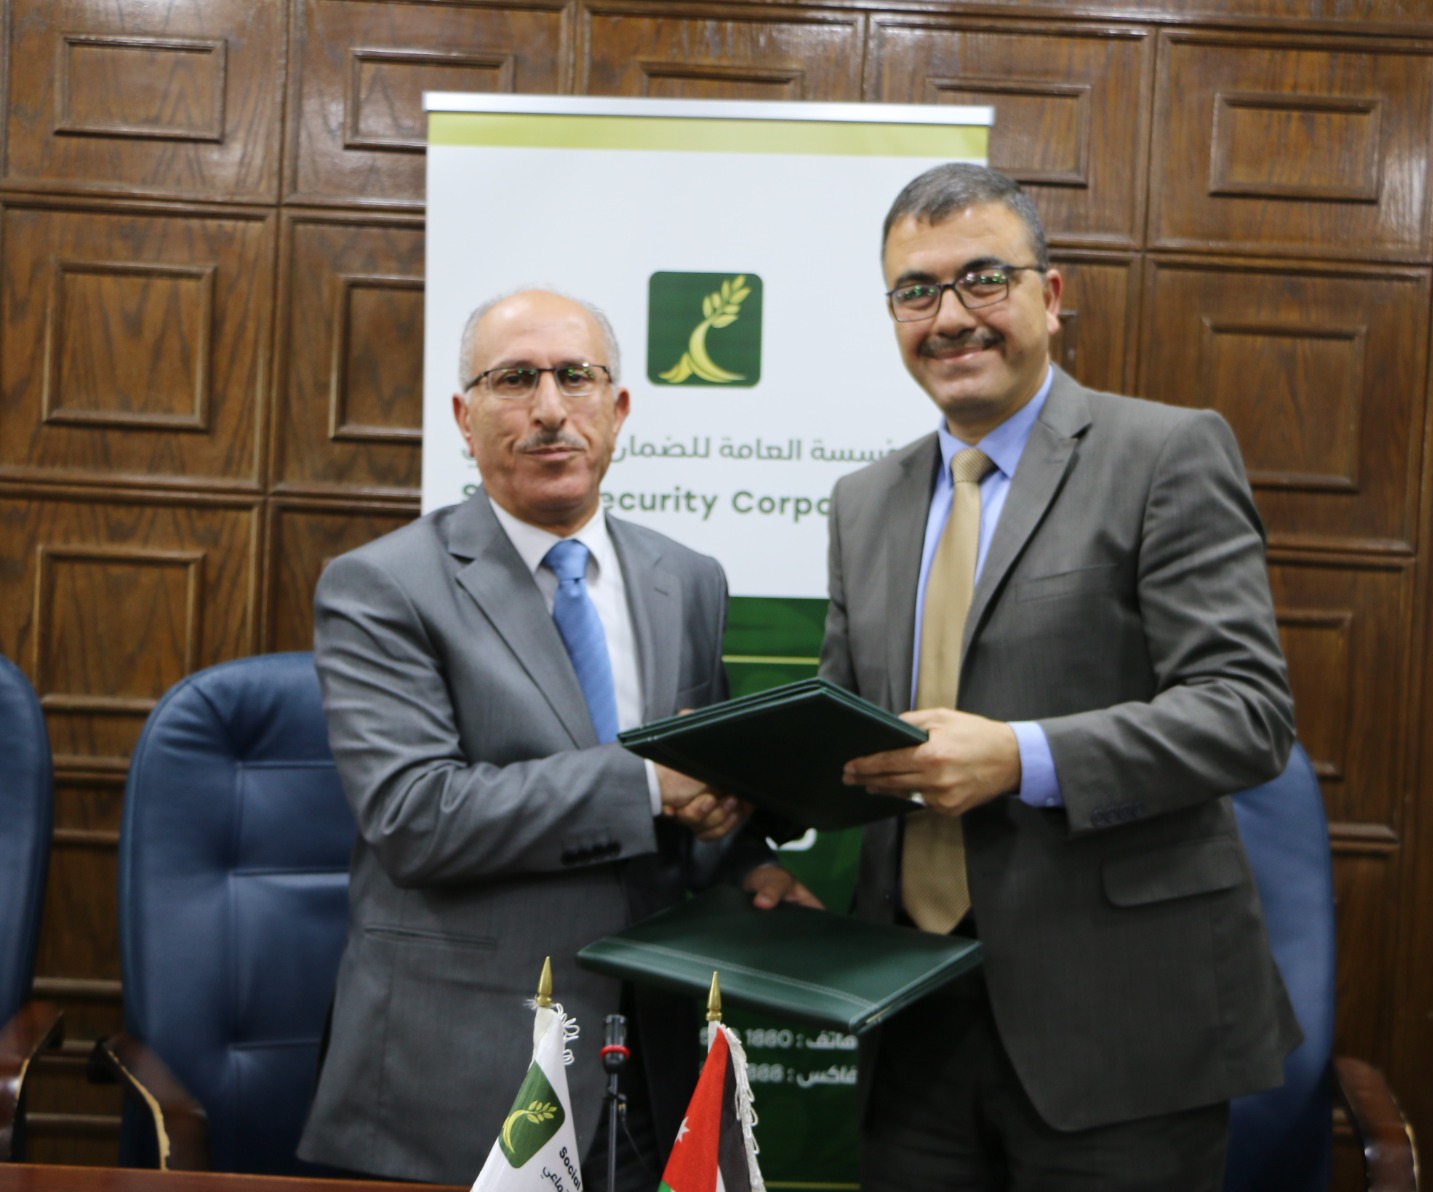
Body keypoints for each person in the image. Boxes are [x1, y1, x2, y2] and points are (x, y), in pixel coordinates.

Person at [821, 164, 1301, 1190]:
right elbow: (850, 727)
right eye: (917, 291)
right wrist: (751, 805)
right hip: (913, 1025)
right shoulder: (863, 503)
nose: (951, 317)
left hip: (1120, 1024)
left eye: (983, 279)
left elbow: (1246, 714)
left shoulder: (1164, 452)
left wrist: (1020, 757)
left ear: (1050, 294)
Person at [298, 288, 816, 1190]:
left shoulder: (687, 579)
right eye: (513, 380)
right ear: (463, 417)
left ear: (617, 409)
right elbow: (414, 817)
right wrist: (650, 783)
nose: (548, 408)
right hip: (459, 1076)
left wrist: (742, 864)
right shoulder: (381, 585)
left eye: (576, 377)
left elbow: (690, 789)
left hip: (648, 1068)